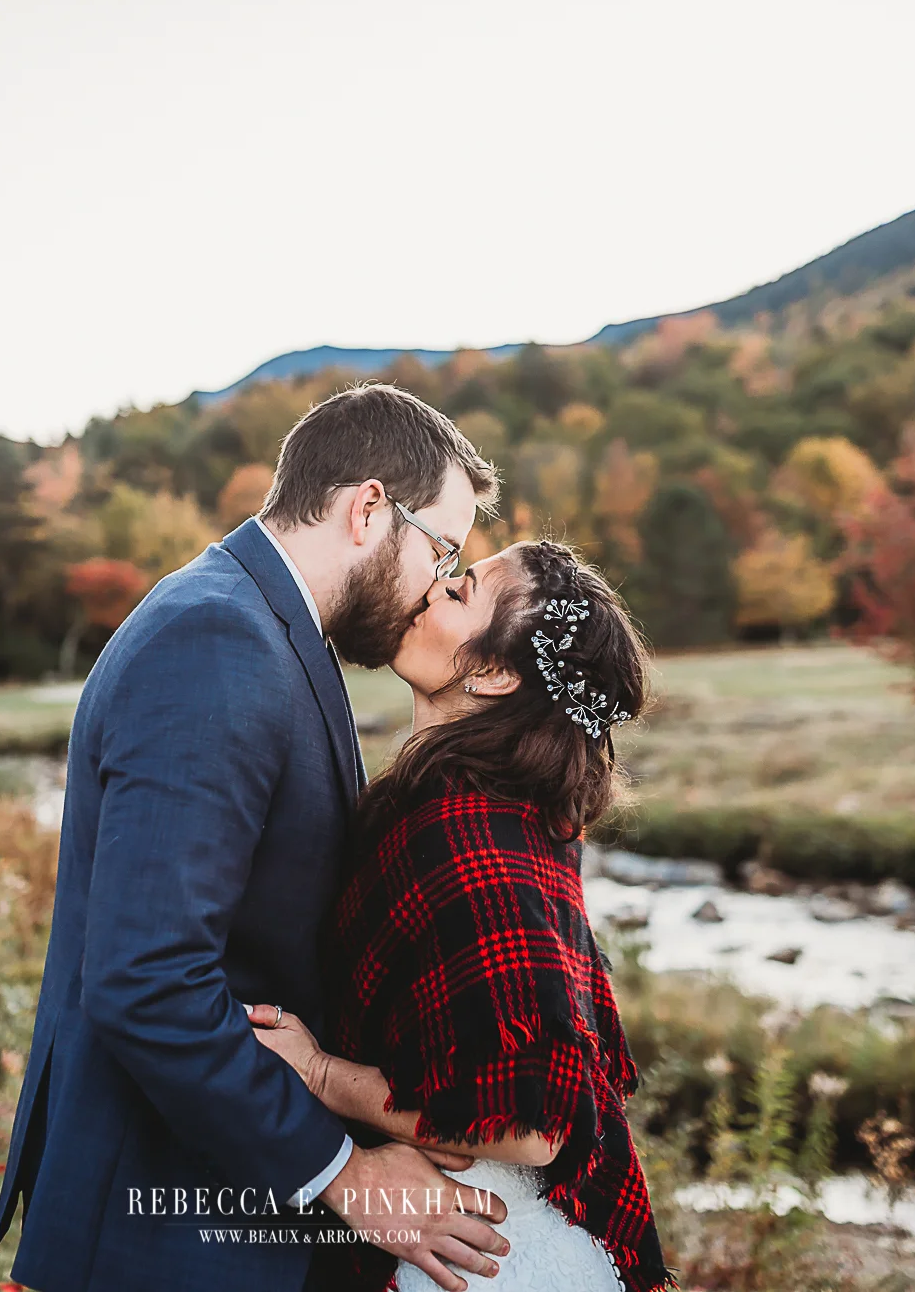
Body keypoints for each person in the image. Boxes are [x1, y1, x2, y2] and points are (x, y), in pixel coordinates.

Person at [0, 383, 517, 1292]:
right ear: (366, 510)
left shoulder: (267, 630)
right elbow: (148, 980)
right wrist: (344, 1173)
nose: (440, 584)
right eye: (442, 549)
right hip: (157, 1225)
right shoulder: (217, 639)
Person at [250, 539, 674, 1292]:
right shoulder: (470, 807)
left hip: (488, 1257)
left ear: (494, 671)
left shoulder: (469, 834)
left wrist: (318, 1072)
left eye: (462, 589)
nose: (434, 585)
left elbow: (532, 1127)